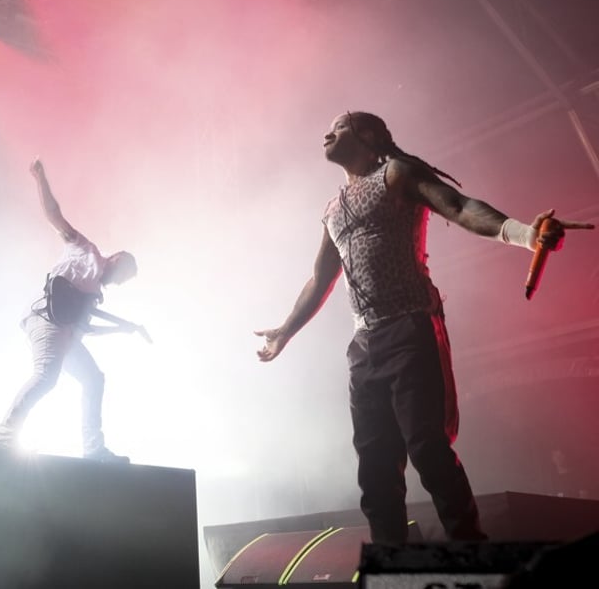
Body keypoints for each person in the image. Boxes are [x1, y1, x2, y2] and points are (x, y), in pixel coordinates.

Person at [254, 111, 595, 545]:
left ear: (368, 134)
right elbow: (320, 279)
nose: (327, 132)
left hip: (410, 328)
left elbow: (460, 206)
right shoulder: (332, 209)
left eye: (339, 126)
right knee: (375, 467)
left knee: (428, 449)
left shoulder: (396, 173)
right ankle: (389, 564)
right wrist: (285, 330)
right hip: (364, 344)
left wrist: (527, 234)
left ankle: (471, 551)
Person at [0, 159, 139, 463]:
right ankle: (4, 438)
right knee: (46, 376)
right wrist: (41, 178)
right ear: (117, 258)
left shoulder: (94, 293)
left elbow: (84, 329)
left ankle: (93, 449)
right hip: (45, 319)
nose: (119, 283)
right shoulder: (86, 251)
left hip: (65, 331)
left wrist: (121, 328)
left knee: (93, 379)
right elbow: (54, 216)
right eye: (123, 276)